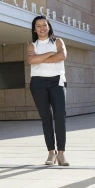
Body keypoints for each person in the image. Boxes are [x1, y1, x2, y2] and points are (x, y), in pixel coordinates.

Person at [27, 15, 69, 166]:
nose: (42, 28)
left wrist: (41, 58)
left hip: (57, 81)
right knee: (46, 118)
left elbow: (62, 55)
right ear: (34, 29)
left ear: (49, 26)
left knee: (60, 116)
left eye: (44, 25)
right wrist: (52, 54)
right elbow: (31, 61)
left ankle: (61, 154)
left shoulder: (58, 41)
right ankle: (51, 152)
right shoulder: (32, 45)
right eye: (38, 26)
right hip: (38, 83)